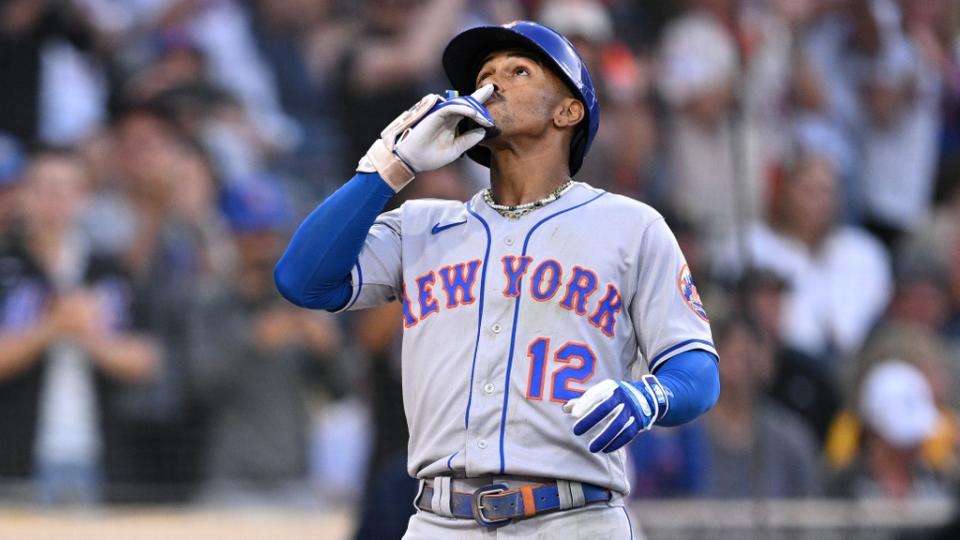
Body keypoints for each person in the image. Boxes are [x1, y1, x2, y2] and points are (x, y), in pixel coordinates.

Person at [275, 21, 720, 537]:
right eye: (484, 75)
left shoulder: (630, 225)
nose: (492, 84)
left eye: (518, 70)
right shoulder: (423, 225)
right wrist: (389, 165)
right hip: (439, 519)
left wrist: (648, 398)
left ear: (568, 110)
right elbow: (302, 279)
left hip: (575, 517)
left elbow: (696, 369)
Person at [0, 148, 159, 504]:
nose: (55, 199)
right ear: (23, 195)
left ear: (84, 197)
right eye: (44, 187)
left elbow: (146, 360)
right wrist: (50, 327)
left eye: (66, 188)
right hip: (13, 454)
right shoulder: (7, 267)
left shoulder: (108, 270)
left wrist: (89, 336)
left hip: (98, 453)